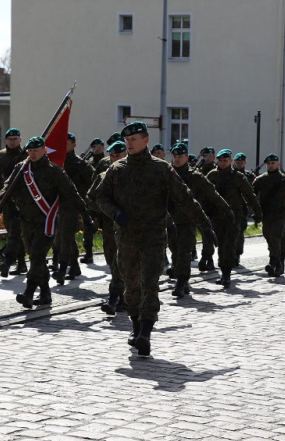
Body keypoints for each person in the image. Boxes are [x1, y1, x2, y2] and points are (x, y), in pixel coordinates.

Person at [95, 121, 216, 357]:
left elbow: (185, 198)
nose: (129, 144)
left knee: (149, 283)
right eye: (127, 140)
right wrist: (116, 213)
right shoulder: (117, 169)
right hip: (127, 239)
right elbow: (101, 197)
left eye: (134, 140)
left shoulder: (161, 169)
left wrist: (205, 226)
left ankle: (146, 333)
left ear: (146, 140)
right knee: (131, 285)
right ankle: (136, 326)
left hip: (153, 238)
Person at [0, 136, 94, 308]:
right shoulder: (22, 169)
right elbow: (7, 187)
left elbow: (72, 194)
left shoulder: (54, 171)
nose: (32, 154)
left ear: (44, 150)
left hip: (45, 222)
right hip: (26, 221)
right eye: (30, 151)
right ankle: (46, 294)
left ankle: (29, 292)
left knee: (36, 256)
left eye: (36, 150)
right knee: (37, 259)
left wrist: (87, 217)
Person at [166, 143, 228, 296]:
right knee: (175, 251)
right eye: (175, 156)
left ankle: (181, 282)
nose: (177, 159)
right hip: (169, 220)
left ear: (187, 157)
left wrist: (227, 210)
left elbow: (213, 194)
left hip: (188, 219)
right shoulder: (167, 175)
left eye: (180, 156)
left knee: (184, 252)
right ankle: (183, 280)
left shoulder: (195, 176)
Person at [206, 149, 262, 287]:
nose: (223, 163)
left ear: (230, 161)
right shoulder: (212, 175)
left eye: (225, 161)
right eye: (220, 161)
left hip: (234, 216)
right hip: (217, 216)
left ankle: (226, 275)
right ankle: (223, 270)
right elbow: (204, 193)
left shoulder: (238, 177)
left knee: (229, 244)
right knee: (221, 244)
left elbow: (250, 195)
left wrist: (258, 212)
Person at [90, 141, 128, 314]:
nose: (115, 159)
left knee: (122, 262)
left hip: (129, 228)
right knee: (112, 262)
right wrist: (106, 210)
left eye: (118, 155)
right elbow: (90, 198)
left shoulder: (134, 175)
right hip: (109, 227)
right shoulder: (103, 176)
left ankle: (115, 298)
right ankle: (122, 296)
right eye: (112, 156)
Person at [52, 132, 94, 284]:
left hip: (73, 205)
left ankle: (63, 269)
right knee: (66, 237)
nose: (64, 146)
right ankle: (74, 266)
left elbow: (94, 182)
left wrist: (87, 201)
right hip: (58, 205)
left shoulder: (80, 164)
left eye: (67, 143)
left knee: (65, 236)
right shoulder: (56, 163)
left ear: (74, 144)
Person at [0, 127, 28, 277]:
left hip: (24, 200)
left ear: (20, 140)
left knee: (15, 231)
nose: (12, 142)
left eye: (15, 139)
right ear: (5, 140)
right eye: (9, 139)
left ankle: (8, 261)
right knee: (12, 231)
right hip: (6, 201)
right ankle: (21, 263)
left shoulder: (27, 155)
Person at [196, 146, 218, 271]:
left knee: (207, 234)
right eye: (204, 155)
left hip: (211, 207)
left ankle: (206, 258)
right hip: (198, 205)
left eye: (208, 155)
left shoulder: (216, 171)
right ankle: (207, 258)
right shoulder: (197, 170)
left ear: (213, 157)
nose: (206, 158)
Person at [232, 152, 256, 264]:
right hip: (230, 207)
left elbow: (253, 194)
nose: (239, 164)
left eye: (241, 162)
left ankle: (237, 254)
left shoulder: (250, 176)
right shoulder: (230, 174)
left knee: (239, 231)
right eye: (237, 162)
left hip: (242, 208)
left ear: (245, 162)